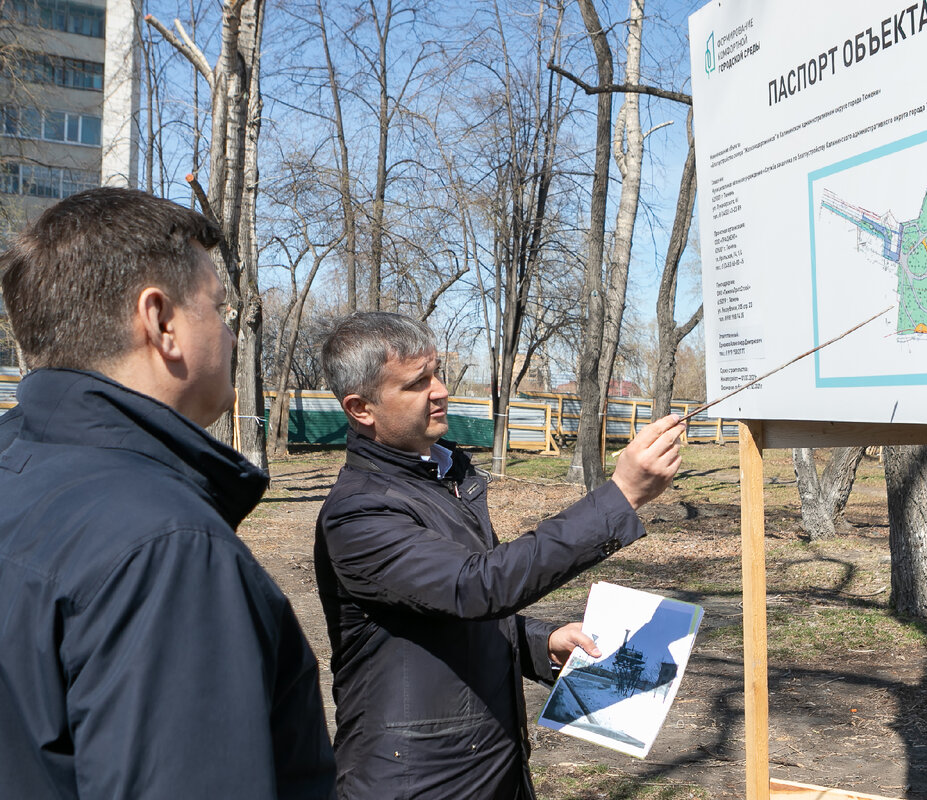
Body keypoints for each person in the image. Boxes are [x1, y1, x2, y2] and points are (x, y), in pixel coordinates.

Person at [0, 188, 336, 798]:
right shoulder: (167, 549)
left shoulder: (15, 465)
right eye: (219, 310)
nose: (232, 334)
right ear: (160, 322)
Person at [315, 311, 685, 799]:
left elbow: (443, 613)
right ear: (362, 408)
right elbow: (475, 587)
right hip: (416, 780)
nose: (441, 389)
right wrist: (619, 497)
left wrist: (541, 642)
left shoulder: (443, 480)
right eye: (417, 382)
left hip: (488, 765)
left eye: (437, 371)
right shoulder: (359, 513)